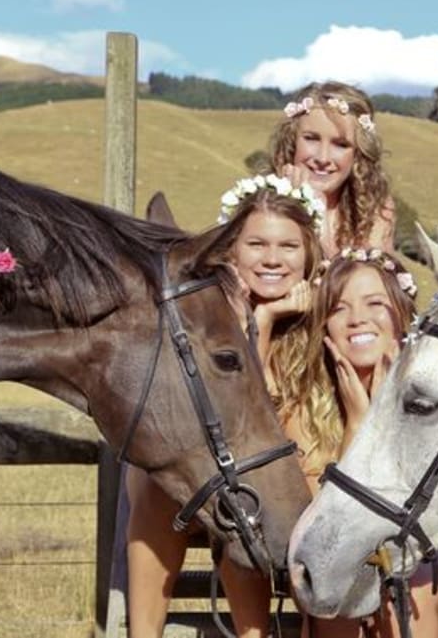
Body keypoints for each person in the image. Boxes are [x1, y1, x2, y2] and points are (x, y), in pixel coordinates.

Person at [125, 175, 324, 638]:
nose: (272, 258)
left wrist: (270, 323)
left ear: (309, 252)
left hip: (293, 484)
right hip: (215, 484)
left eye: (288, 246)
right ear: (231, 250)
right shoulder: (207, 315)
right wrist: (262, 322)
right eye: (256, 243)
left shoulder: (321, 316)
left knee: (251, 491)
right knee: (167, 485)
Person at [285, 249, 438, 638]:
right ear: (324, 325)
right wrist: (357, 427)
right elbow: (322, 536)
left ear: (402, 314)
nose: (357, 319)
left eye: (375, 303)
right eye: (338, 307)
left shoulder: (436, 398)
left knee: (401, 582)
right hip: (345, 579)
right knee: (337, 577)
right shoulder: (303, 408)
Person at [269, 81, 396, 258]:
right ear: (292, 142)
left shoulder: (375, 208)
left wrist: (318, 211)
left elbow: (376, 280)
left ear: (358, 154)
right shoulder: (263, 204)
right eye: (311, 139)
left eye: (341, 145)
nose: (323, 158)